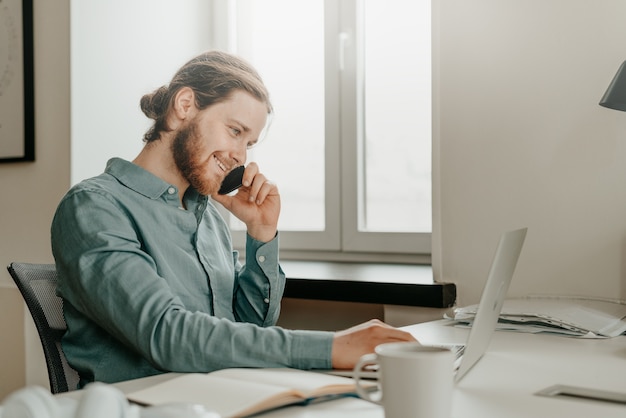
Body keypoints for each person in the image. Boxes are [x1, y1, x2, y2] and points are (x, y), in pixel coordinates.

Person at [51, 50, 415, 388]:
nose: (239, 157)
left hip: (222, 396)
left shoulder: (207, 216)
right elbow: (167, 334)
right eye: (235, 131)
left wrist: (261, 232)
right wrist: (331, 346)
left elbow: (246, 330)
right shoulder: (94, 208)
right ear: (185, 105)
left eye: (249, 144)